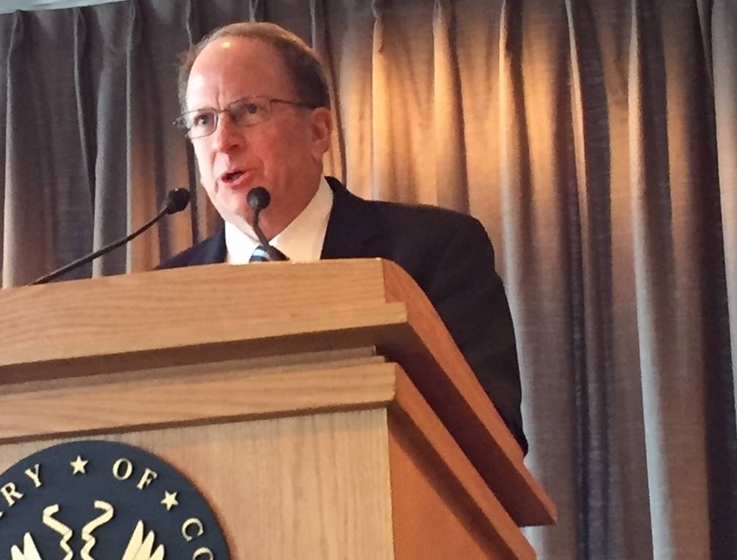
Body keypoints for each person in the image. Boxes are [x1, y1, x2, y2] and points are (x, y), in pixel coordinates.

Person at [158, 22, 527, 453]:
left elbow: (492, 435)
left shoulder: (432, 252)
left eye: (249, 111)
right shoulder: (166, 291)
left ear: (318, 131)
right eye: (203, 120)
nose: (223, 141)